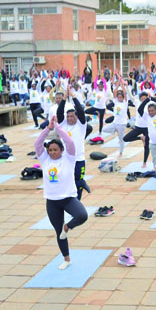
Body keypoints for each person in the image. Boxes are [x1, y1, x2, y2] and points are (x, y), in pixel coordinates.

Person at [35, 116, 88, 270]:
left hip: (68, 198)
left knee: (82, 215)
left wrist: (58, 128)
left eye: (55, 150)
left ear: (61, 150)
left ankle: (68, 227)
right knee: (58, 232)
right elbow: (37, 143)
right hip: (52, 201)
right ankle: (66, 259)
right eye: (50, 150)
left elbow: (70, 142)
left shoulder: (69, 158)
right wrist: (47, 129)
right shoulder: (45, 160)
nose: (52, 152)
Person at [56, 87, 91, 200]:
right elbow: (59, 111)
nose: (70, 118)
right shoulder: (63, 124)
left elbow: (80, 111)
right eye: (68, 116)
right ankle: (70, 201)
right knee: (68, 182)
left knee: (79, 183)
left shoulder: (81, 125)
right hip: (66, 159)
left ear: (76, 117)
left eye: (72, 116)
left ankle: (78, 203)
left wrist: (74, 97)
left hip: (79, 159)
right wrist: (65, 98)